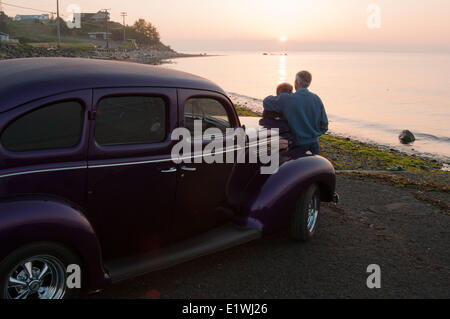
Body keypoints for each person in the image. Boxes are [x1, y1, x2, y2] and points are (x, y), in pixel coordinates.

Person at [263, 71, 328, 155]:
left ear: (296, 82)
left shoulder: (287, 99)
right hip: (314, 144)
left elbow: (266, 102)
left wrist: (280, 97)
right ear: (309, 83)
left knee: (299, 167)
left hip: (296, 144)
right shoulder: (316, 99)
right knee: (313, 167)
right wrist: (314, 133)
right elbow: (324, 125)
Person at [259, 83, 294, 150]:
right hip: (282, 138)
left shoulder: (268, 101)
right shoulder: (288, 106)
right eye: (291, 92)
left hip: (268, 133)